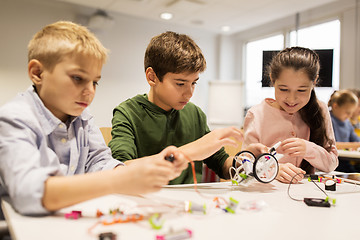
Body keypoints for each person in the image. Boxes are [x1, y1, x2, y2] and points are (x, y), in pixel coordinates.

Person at [0, 21, 188, 215]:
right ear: (37, 73)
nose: (90, 91)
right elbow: (29, 194)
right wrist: (121, 180)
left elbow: (99, 161)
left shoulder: (83, 117)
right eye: (78, 78)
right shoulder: (15, 118)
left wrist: (141, 172)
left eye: (95, 82)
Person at [109, 31, 259, 184]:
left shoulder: (195, 114)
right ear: (152, 77)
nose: (189, 93)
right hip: (145, 202)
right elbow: (120, 170)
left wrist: (246, 162)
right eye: (180, 84)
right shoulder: (127, 113)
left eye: (194, 83)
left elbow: (222, 165)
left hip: (190, 204)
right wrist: (189, 152)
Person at [241, 46, 338, 184]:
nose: (292, 99)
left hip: (306, 194)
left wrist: (308, 149)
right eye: (284, 89)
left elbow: (331, 164)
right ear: (272, 80)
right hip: (267, 195)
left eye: (301, 90)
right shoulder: (256, 114)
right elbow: (244, 165)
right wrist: (274, 169)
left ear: (314, 82)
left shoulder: (320, 109)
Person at [328, 89, 360, 172]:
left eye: (351, 113)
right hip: (333, 163)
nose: (349, 116)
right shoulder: (328, 120)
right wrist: (353, 145)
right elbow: (329, 144)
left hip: (346, 161)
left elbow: (356, 140)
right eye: (347, 112)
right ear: (335, 106)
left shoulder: (347, 123)